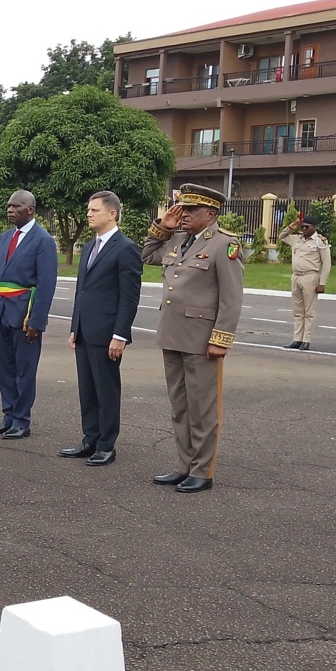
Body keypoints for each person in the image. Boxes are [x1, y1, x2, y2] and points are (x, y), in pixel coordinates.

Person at [142, 183, 244, 493]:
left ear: (210, 214)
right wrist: (163, 226)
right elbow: (147, 255)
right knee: (180, 407)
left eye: (191, 210)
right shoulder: (176, 239)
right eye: (182, 209)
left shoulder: (224, 244)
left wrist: (220, 339)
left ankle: (202, 471)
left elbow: (231, 298)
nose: (183, 214)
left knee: (202, 409)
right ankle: (184, 465)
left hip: (201, 340)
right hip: (172, 334)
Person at [58, 191, 142, 467]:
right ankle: (90, 438)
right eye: (89, 210)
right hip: (85, 330)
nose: (89, 214)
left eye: (95, 210)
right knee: (87, 389)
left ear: (112, 214)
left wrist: (120, 335)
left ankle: (106, 445)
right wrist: (75, 327)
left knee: (106, 391)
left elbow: (129, 297)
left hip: (107, 333)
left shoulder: (125, 248)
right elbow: (82, 291)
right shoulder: (89, 247)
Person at [0, 190, 58, 440]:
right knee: (5, 368)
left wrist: (37, 320)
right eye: (8, 206)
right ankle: (8, 416)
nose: (10, 210)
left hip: (25, 314)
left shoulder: (43, 240)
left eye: (16, 206)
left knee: (24, 371)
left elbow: (46, 285)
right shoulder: (5, 238)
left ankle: (21, 420)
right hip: (3, 312)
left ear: (30, 209)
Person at [278, 214, 330, 351]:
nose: (304, 229)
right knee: (298, 311)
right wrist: (291, 227)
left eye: (307, 227)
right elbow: (281, 237)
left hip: (310, 277)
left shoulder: (320, 241)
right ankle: (297, 339)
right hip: (296, 277)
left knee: (309, 312)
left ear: (314, 227)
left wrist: (322, 283)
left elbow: (326, 264)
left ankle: (306, 340)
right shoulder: (297, 239)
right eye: (302, 227)